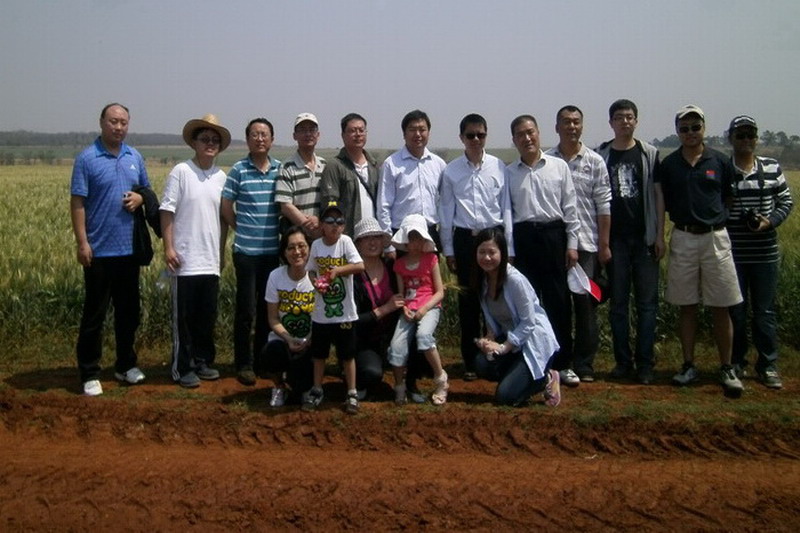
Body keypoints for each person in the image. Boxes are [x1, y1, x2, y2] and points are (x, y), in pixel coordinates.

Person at [70, 103, 156, 396]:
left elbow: (145, 190)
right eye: (113, 121)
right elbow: (78, 202)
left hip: (128, 250)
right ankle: (89, 372)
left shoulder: (135, 157)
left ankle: (125, 364)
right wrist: (82, 242)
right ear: (101, 122)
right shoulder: (87, 159)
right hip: (99, 251)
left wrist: (140, 199)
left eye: (123, 122)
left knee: (128, 313)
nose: (119, 127)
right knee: (94, 315)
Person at [659, 105, 743, 396]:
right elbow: (664, 201)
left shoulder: (719, 161)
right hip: (683, 236)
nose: (690, 133)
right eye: (684, 128)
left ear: (704, 128)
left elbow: (729, 197)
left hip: (715, 237)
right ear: (677, 131)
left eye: (695, 127)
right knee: (687, 305)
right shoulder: (669, 165)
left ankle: (726, 367)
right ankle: (688, 364)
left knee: (722, 304)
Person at [504, 115, 580, 386]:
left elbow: (570, 208)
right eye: (520, 134)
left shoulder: (558, 167)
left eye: (530, 132)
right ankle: (532, 363)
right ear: (514, 140)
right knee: (526, 304)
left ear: (539, 133)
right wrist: (510, 250)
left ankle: (563, 363)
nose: (527, 138)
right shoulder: (509, 173)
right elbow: (507, 214)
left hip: (553, 236)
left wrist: (572, 245)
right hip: (524, 240)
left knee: (559, 302)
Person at [595, 99, 664, 384]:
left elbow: (658, 196)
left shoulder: (649, 153)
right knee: (619, 305)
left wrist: (659, 235)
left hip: (644, 239)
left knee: (647, 305)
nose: (625, 121)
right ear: (611, 122)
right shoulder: (602, 154)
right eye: (619, 117)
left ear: (636, 121)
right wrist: (602, 243)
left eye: (629, 117)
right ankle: (623, 362)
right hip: (615, 242)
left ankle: (645, 364)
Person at [159, 114, 230, 388]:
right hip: (184, 260)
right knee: (184, 320)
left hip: (210, 260)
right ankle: (182, 366)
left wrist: (221, 254)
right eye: (205, 139)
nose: (210, 144)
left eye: (214, 140)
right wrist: (168, 247)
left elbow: (223, 220)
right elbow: (167, 211)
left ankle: (203, 361)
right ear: (195, 143)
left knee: (206, 317)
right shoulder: (181, 171)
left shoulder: (221, 177)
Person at [439, 113, 511, 381]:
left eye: (481, 134)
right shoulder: (451, 171)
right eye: (470, 135)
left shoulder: (499, 167)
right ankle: (470, 360)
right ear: (462, 138)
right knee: (469, 301)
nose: (476, 139)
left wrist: (510, 247)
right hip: (466, 240)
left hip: (494, 238)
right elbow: (446, 212)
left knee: (497, 297)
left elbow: (506, 207)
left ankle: (499, 355)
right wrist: (449, 251)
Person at [726, 115, 793, 389]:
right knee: (736, 311)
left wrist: (770, 221)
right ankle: (737, 362)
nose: (746, 140)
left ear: (756, 138)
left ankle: (768, 365)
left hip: (765, 253)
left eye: (750, 135)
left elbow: (786, 202)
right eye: (740, 135)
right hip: (733, 253)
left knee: (764, 311)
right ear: (731, 138)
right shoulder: (724, 169)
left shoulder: (771, 167)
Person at [546, 105, 612, 383]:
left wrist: (604, 245)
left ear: (582, 126)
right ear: (556, 127)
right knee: (557, 304)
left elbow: (604, 205)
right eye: (566, 122)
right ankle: (559, 358)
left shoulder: (594, 161)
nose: (571, 127)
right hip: (555, 244)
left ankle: (584, 363)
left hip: (586, 244)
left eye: (576, 122)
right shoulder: (547, 160)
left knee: (585, 305)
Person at [221, 118, 281, 386]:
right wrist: (242, 228)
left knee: (268, 309)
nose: (260, 139)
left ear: (272, 139)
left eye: (264, 134)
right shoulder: (238, 170)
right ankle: (243, 364)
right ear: (247, 140)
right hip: (246, 252)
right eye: (255, 134)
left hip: (272, 252)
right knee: (246, 310)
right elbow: (226, 207)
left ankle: (262, 361)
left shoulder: (280, 169)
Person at [473, 227, 561, 407]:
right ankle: (518, 377)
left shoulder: (515, 280)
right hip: (512, 342)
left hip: (532, 341)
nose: (486, 257)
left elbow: (528, 323)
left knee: (505, 397)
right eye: (482, 252)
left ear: (502, 253)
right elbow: (492, 319)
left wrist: (503, 348)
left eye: (492, 252)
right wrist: (489, 339)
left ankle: (545, 378)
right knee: (481, 363)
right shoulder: (483, 280)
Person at [303, 201, 365, 413]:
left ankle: (352, 392)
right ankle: (317, 389)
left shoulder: (345, 242)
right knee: (319, 354)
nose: (335, 225)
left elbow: (359, 265)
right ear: (321, 224)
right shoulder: (316, 245)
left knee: (347, 355)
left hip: (345, 313)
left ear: (344, 225)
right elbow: (311, 270)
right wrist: (315, 282)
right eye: (329, 221)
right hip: (321, 313)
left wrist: (338, 271)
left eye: (339, 221)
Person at [388, 214, 448, 405]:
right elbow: (401, 294)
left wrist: (425, 308)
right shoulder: (399, 265)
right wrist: (404, 308)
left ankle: (441, 379)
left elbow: (439, 292)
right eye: (412, 238)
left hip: (429, 306)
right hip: (410, 309)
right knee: (396, 347)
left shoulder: (431, 259)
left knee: (424, 336)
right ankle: (399, 386)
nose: (415, 243)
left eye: (419, 238)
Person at [377, 109, 446, 254]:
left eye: (422, 129)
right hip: (401, 236)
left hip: (429, 234)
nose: (418, 134)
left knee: (430, 270)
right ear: (404, 134)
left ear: (429, 133)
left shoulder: (439, 164)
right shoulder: (391, 164)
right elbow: (384, 205)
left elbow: (445, 203)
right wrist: (389, 244)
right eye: (412, 130)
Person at [262, 226, 315, 407]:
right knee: (271, 353)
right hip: (284, 339)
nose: (297, 252)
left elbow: (322, 318)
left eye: (302, 246)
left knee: (300, 383)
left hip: (310, 340)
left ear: (309, 248)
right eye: (291, 247)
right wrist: (289, 338)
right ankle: (278, 386)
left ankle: (308, 388)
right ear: (284, 252)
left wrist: (309, 340)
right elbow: (273, 319)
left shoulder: (317, 276)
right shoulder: (275, 276)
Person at [319, 113, 379, 236]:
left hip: (372, 236)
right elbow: (330, 203)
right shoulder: (334, 166)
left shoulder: (374, 166)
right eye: (352, 131)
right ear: (343, 135)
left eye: (361, 130)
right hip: (348, 235)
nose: (358, 134)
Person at [275, 113, 326, 239]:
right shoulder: (287, 167)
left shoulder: (324, 165)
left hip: (322, 235)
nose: (308, 134)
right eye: (302, 130)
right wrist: (310, 227)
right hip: (297, 239)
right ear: (295, 136)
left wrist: (321, 223)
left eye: (312, 130)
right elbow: (285, 206)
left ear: (318, 135)